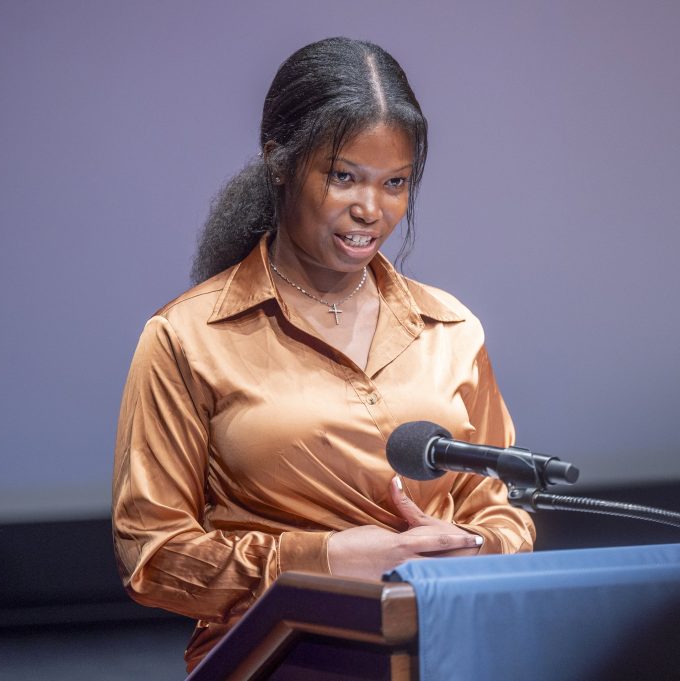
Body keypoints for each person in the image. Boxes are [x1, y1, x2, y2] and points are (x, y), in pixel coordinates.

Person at [112, 37, 536, 672]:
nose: (372, 208)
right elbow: (153, 556)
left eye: (395, 183)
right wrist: (323, 562)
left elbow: (501, 512)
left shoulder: (451, 327)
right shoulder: (187, 336)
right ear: (279, 162)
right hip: (283, 659)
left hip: (449, 650)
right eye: (344, 177)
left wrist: (477, 544)